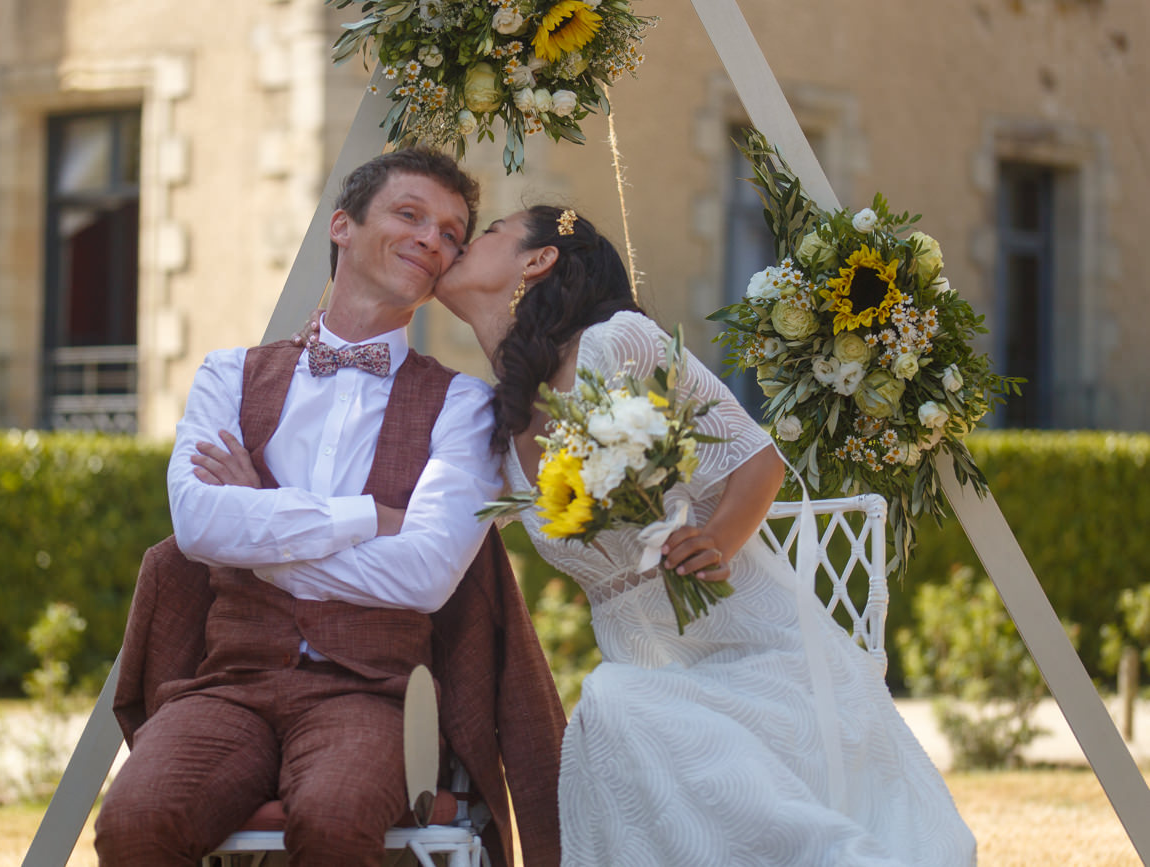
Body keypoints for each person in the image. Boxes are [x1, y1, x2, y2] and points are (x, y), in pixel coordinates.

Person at [428, 204, 978, 865]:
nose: (461, 242)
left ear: (539, 260)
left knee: (611, 704)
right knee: (616, 705)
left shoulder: (617, 343)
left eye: (488, 232)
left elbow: (759, 459)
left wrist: (716, 537)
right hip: (647, 666)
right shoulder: (497, 425)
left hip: (749, 649)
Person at [94, 149, 565, 867]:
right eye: (410, 214)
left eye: (450, 232)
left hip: (372, 692)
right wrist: (368, 517)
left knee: (337, 817)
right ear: (341, 225)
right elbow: (198, 525)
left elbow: (424, 576)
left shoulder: (465, 405)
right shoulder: (228, 374)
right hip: (228, 684)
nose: (431, 239)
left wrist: (261, 520)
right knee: (135, 820)